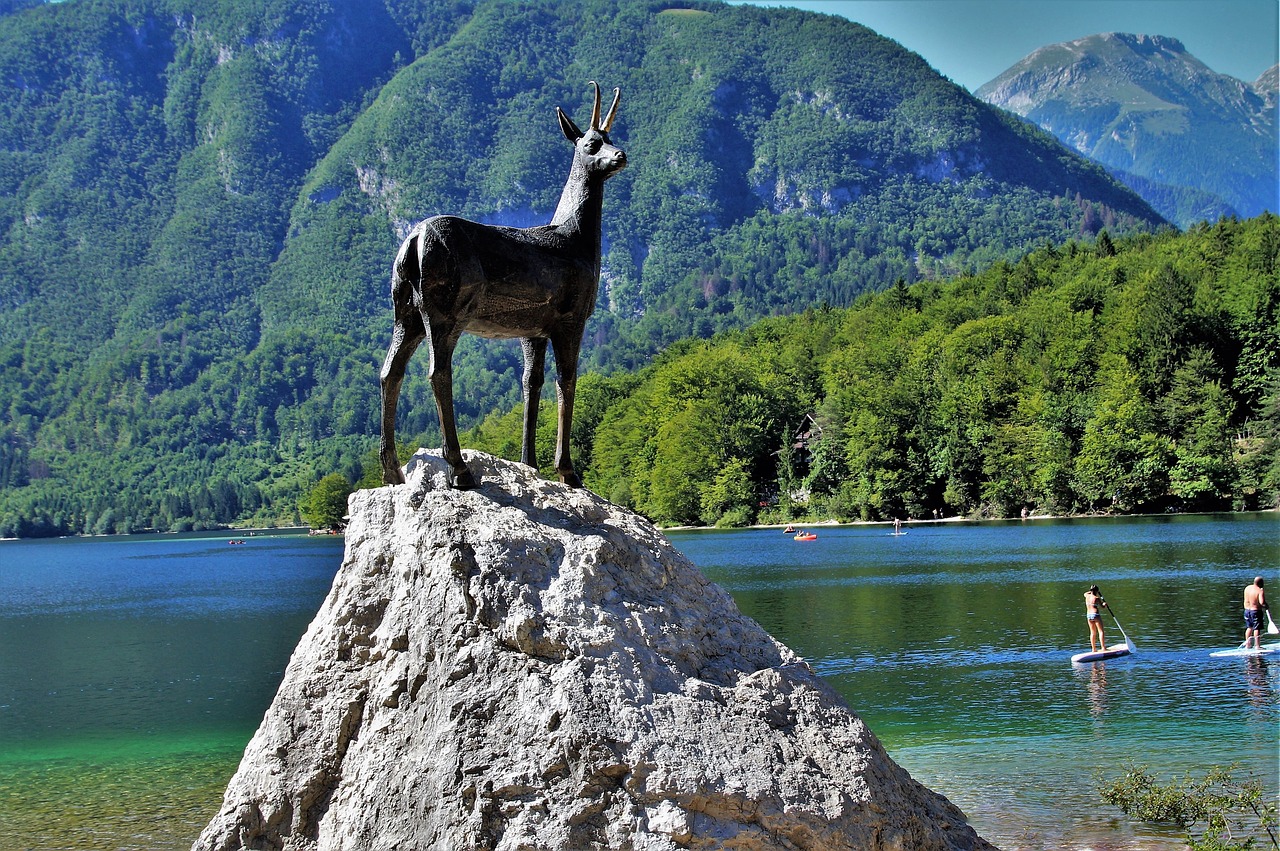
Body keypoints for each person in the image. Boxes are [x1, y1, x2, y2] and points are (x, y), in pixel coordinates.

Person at [1243, 577, 1269, 650]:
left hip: (1247, 610)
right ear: (1260, 583)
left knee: (1249, 627)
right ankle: (1257, 646)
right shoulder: (1259, 591)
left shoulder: (1247, 588)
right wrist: (1266, 606)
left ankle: (1248, 645)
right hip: (1255, 612)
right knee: (1257, 628)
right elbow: (1262, 602)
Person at [1084, 585, 1110, 652]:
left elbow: (1085, 593)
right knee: (1101, 631)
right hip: (1095, 615)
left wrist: (1091, 590)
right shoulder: (1096, 598)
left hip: (1088, 615)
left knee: (1092, 632)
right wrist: (1104, 604)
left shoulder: (1087, 596)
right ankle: (1103, 648)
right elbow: (1102, 607)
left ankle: (1093, 649)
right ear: (1096, 591)